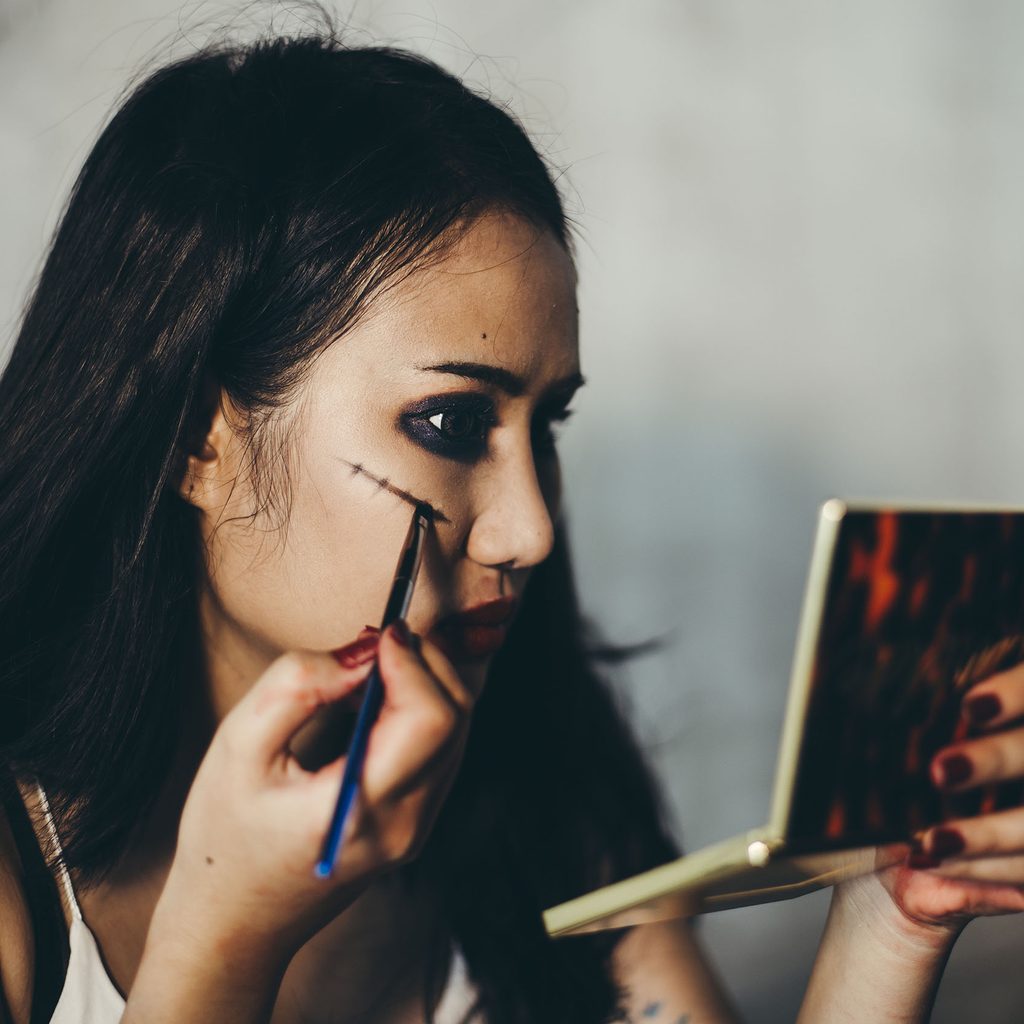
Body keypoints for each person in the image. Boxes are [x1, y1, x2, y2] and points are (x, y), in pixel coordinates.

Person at [2, 18, 1024, 1024]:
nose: (529, 529)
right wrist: (223, 940)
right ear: (197, 437)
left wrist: (889, 922)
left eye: (547, 426)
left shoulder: (539, 797)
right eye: (449, 423)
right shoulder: (20, 879)